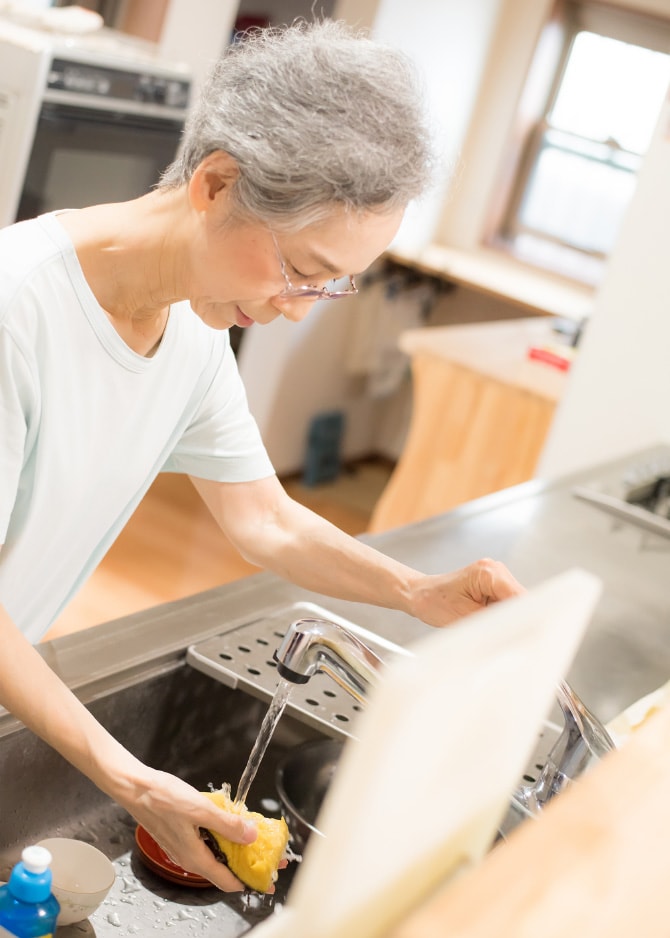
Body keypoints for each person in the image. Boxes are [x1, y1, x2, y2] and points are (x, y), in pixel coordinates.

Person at [0, 19, 524, 892]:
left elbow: (264, 518)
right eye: (299, 269)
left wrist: (419, 594)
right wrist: (129, 779)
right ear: (215, 184)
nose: (298, 310)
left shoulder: (191, 331)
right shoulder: (16, 310)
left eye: (333, 285)